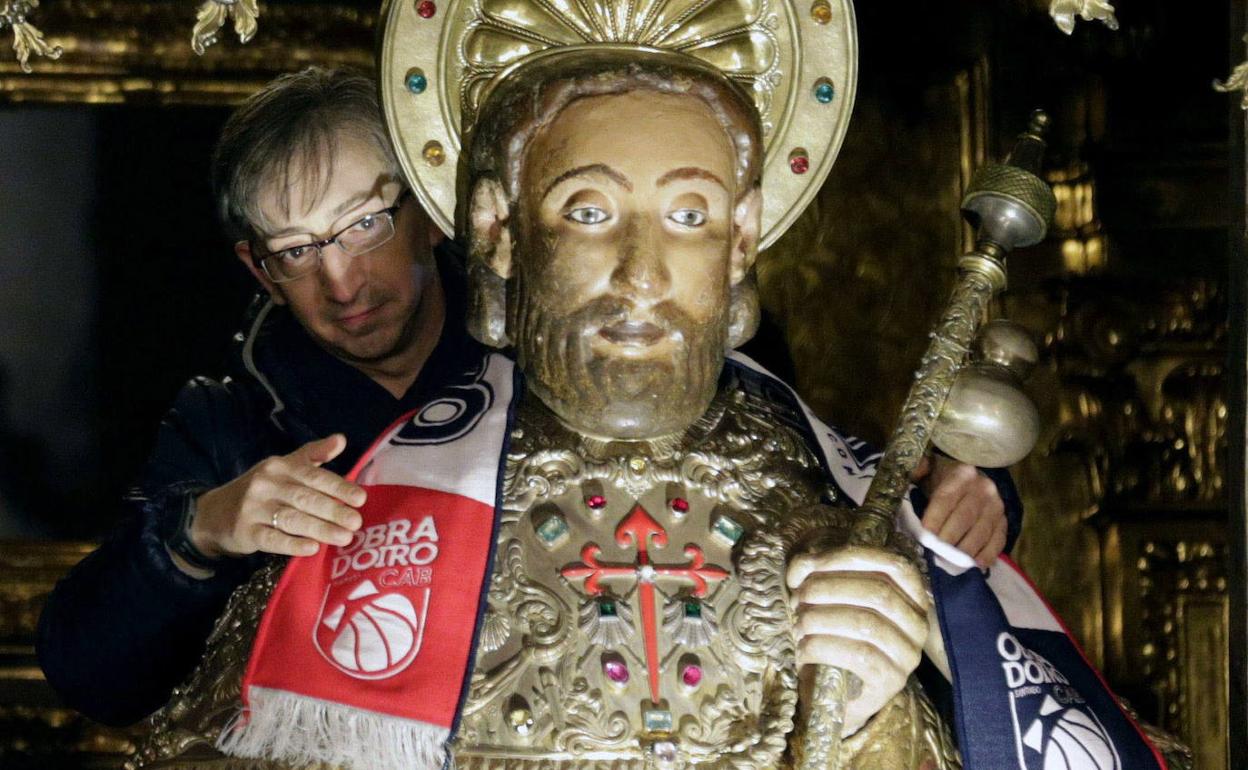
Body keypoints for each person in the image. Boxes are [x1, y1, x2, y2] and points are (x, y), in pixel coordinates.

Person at [125, 49, 1034, 769]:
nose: (641, 275)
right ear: (498, 230)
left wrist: (874, 707)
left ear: (742, 239)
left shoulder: (813, 477)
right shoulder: (373, 494)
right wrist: (191, 536)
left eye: (690, 215)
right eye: (589, 211)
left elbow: (970, 686)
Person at [36, 66, 485, 727]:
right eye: (297, 250)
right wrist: (199, 534)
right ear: (260, 270)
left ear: (431, 210)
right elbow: (91, 677)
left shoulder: (538, 369)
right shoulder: (225, 419)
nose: (340, 282)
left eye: (364, 225)